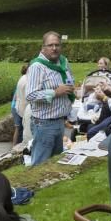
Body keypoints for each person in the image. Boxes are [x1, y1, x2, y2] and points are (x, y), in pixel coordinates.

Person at [26, 31, 75, 166]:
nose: (54, 48)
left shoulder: (63, 62)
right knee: (40, 165)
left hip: (60, 121)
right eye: (50, 45)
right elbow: (30, 95)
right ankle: (34, 187)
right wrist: (55, 92)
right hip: (44, 124)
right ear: (43, 47)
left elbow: (69, 80)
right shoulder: (37, 66)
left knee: (55, 163)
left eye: (57, 45)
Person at [11, 64, 29, 144]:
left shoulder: (21, 79)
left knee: (18, 129)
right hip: (18, 107)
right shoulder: (25, 81)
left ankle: (15, 146)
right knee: (19, 129)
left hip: (15, 106)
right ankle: (15, 147)